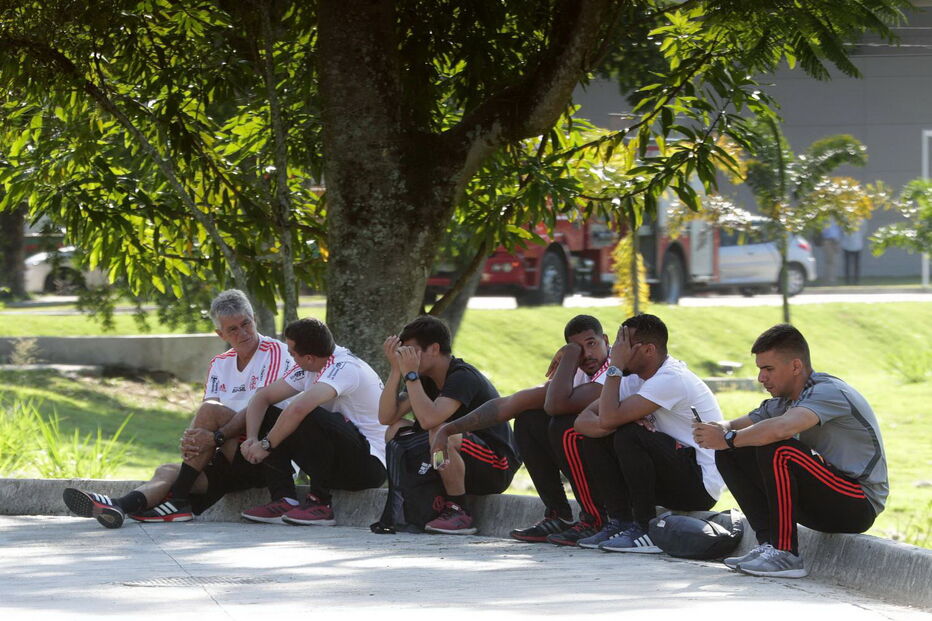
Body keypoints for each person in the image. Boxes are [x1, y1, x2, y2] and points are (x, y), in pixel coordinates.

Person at [62, 289, 293, 528]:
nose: (242, 333)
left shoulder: (276, 352)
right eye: (232, 329)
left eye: (246, 323)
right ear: (220, 333)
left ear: (254, 318)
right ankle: (119, 505)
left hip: (264, 453)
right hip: (228, 457)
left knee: (210, 411)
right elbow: (205, 421)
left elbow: (260, 407)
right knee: (166, 471)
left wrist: (214, 437)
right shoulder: (219, 363)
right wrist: (194, 440)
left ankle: (179, 500)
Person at [693, 324, 887, 578]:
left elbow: (781, 428)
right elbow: (733, 427)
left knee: (776, 447)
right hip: (824, 500)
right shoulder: (783, 401)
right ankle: (767, 546)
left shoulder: (828, 392)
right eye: (760, 370)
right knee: (730, 450)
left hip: (858, 503)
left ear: (796, 366)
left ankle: (786, 554)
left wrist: (727, 437)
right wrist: (714, 429)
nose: (761, 378)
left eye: (768, 369)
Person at [429, 314, 610, 545]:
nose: (587, 354)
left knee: (564, 426)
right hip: (601, 457)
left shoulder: (615, 369)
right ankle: (558, 515)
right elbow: (510, 403)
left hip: (632, 460)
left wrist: (570, 354)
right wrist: (447, 429)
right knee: (529, 419)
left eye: (591, 343)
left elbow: (557, 405)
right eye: (577, 348)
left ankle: (596, 519)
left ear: (605, 339)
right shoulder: (575, 371)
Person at [573, 314, 725, 553]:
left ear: (649, 350)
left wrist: (615, 369)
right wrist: (619, 419)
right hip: (669, 472)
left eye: (625, 346)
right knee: (601, 435)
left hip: (698, 485)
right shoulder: (634, 379)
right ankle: (620, 523)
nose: (617, 351)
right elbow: (582, 422)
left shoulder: (671, 378)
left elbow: (608, 417)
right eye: (617, 344)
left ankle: (645, 530)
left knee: (628, 434)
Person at [380, 315, 520, 535]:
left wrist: (411, 375)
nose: (407, 358)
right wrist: (397, 371)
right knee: (396, 429)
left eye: (411, 351)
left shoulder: (462, 376)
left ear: (434, 349)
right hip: (459, 460)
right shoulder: (423, 379)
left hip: (495, 464)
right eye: (403, 353)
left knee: (440, 430)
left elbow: (429, 420)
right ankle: (421, 499)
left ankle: (459, 510)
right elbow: (386, 417)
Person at [239, 318, 387, 525]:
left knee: (307, 412)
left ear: (308, 357)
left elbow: (300, 409)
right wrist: (252, 439)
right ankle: (284, 499)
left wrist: (266, 445)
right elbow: (262, 398)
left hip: (368, 467)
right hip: (336, 461)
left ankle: (321, 504)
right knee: (273, 413)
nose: (290, 357)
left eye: (292, 353)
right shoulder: (309, 366)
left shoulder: (345, 367)